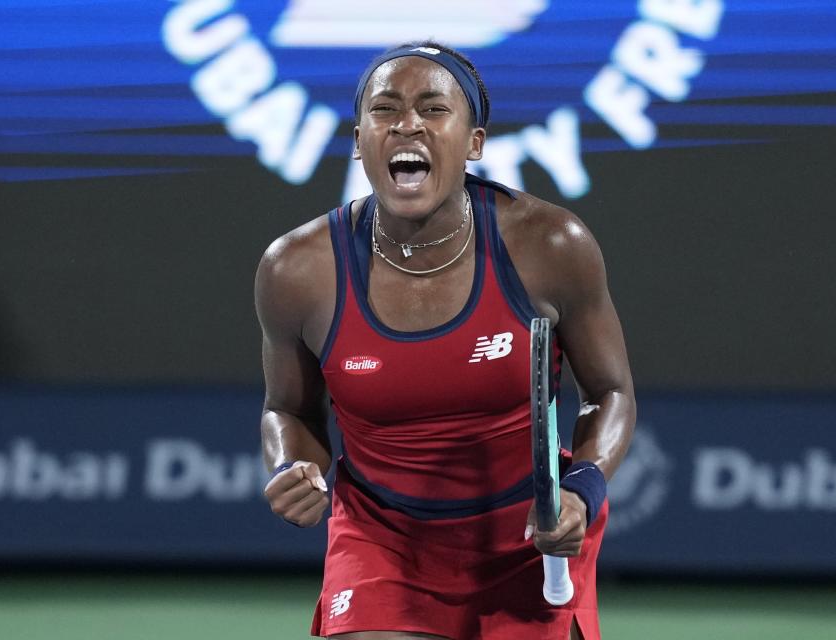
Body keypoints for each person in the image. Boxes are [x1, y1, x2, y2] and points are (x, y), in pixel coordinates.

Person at [256, 41, 635, 640]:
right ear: (358, 141)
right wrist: (294, 464)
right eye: (386, 110)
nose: (408, 124)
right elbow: (288, 409)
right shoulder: (296, 269)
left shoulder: (551, 245)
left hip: (530, 536)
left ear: (475, 143)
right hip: (382, 539)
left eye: (434, 109)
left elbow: (610, 392)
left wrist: (583, 492)